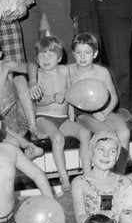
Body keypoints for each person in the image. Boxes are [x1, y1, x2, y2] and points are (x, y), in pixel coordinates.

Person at [29, 36, 90, 195]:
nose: (46, 59)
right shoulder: (38, 76)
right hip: (43, 117)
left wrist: (71, 116)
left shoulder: (64, 70)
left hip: (63, 119)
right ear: (37, 59)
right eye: (41, 56)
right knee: (57, 138)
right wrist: (52, 98)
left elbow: (69, 93)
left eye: (50, 55)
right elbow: (36, 103)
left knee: (84, 133)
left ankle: (88, 174)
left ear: (60, 57)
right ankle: (64, 177)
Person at [66, 32, 131, 156]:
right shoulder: (68, 71)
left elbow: (114, 97)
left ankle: (120, 172)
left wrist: (104, 113)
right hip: (82, 114)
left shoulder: (102, 72)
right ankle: (107, 168)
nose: (83, 57)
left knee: (124, 133)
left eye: (87, 53)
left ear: (95, 54)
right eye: (79, 53)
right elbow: (68, 97)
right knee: (107, 134)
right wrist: (70, 119)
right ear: (73, 54)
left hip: (102, 110)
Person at [70, 132, 130, 223]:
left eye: (112, 151)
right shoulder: (80, 182)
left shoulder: (124, 182)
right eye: (101, 149)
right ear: (91, 152)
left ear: (117, 157)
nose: (106, 155)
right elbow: (80, 217)